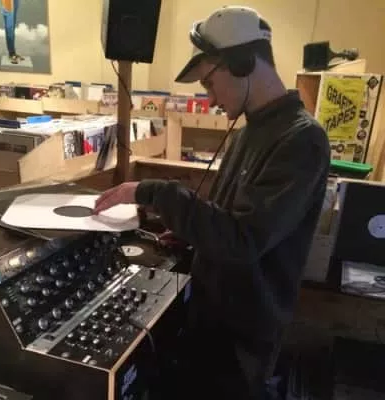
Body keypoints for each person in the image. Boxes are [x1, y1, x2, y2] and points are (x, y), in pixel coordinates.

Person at [94, 6, 330, 400]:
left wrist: (154, 191)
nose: (210, 98)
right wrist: (190, 235)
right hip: (210, 318)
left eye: (209, 82)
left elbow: (243, 240)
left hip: (243, 340)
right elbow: (226, 220)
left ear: (242, 63)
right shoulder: (245, 134)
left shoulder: (301, 141)